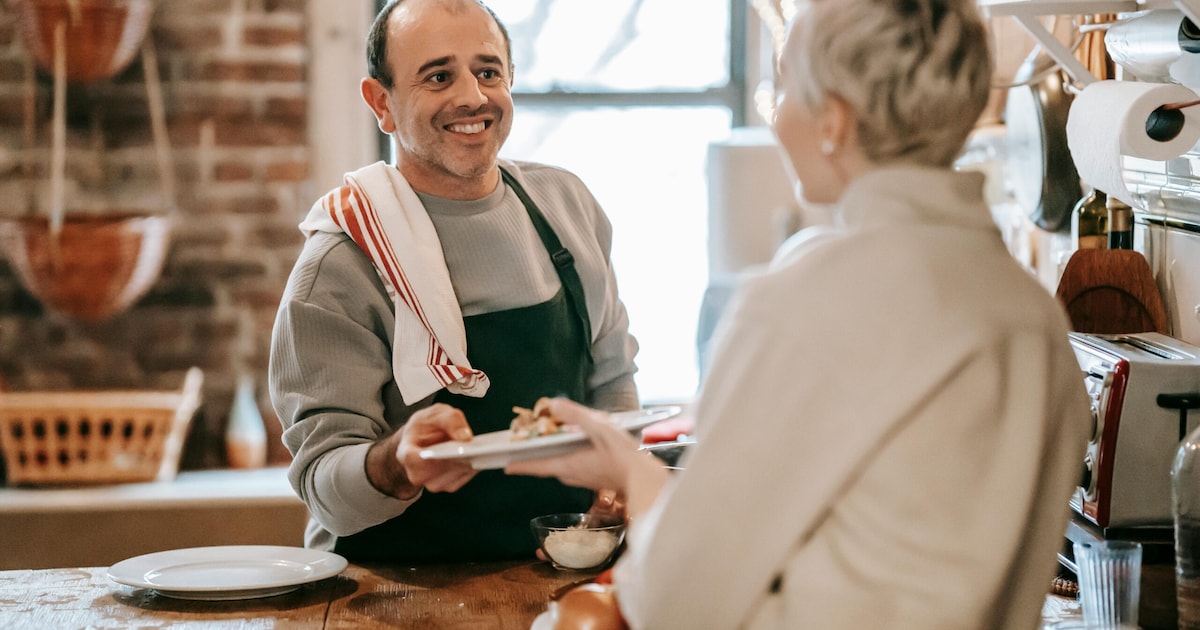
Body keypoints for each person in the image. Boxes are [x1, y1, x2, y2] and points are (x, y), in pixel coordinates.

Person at [506, 0, 1092, 627]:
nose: (776, 115)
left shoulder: (803, 300)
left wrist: (629, 469)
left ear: (833, 122)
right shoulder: (1033, 313)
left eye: (782, 88)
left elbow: (679, 602)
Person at [268, 0, 639, 563]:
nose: (472, 96)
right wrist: (395, 463)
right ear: (381, 103)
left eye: (488, 71)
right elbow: (325, 490)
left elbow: (612, 380)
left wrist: (616, 489)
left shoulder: (568, 208)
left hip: (557, 567)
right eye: (439, 76)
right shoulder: (341, 266)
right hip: (392, 592)